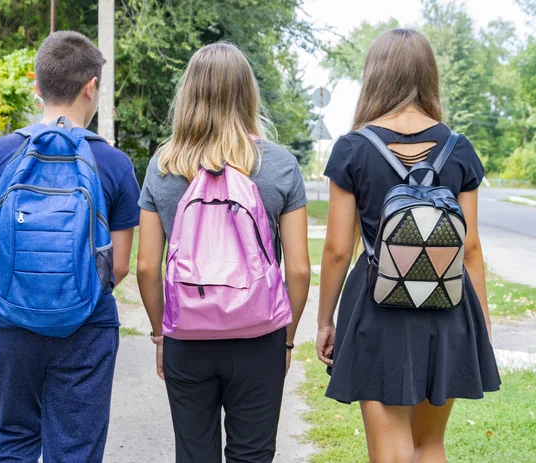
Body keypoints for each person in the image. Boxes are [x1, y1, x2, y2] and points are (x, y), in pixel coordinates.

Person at [316, 29, 500, 463]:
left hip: (377, 307)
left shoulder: (353, 149)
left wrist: (325, 321)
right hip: (449, 306)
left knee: (390, 449)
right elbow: (470, 249)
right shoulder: (459, 149)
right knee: (429, 444)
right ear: (429, 76)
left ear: (374, 77)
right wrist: (483, 325)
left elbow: (338, 250)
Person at [137, 42, 311, 463]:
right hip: (259, 336)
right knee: (252, 455)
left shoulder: (163, 166)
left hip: (188, 335)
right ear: (248, 94)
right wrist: (285, 341)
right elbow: (301, 270)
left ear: (188, 96)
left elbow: (145, 267)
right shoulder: (279, 165)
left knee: (194, 455)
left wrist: (162, 335)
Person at [0, 31, 141, 462]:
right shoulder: (115, 164)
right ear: (91, 87)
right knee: (77, 449)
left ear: (37, 87)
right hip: (86, 325)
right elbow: (118, 266)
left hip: (9, 323)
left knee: (13, 440)